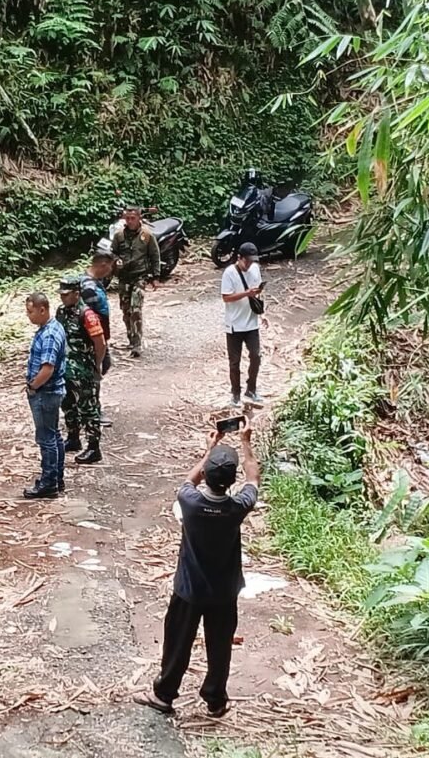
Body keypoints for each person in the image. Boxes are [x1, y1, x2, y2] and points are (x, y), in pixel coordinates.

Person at [134, 422, 259, 718]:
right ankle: (215, 699)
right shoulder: (238, 507)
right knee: (219, 646)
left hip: (188, 589)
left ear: (207, 476)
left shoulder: (189, 502)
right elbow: (253, 474)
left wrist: (210, 448)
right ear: (231, 481)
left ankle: (164, 694)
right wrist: (245, 443)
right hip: (224, 591)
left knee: (177, 642)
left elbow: (190, 479)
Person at [56, 277, 106, 465]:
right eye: (61, 295)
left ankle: (94, 447)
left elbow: (100, 343)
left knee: (89, 408)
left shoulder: (87, 315)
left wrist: (97, 365)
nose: (63, 298)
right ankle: (73, 437)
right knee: (68, 404)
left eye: (66, 295)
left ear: (76, 294)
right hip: (65, 368)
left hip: (84, 370)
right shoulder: (62, 312)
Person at [24, 292, 67, 499]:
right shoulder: (52, 327)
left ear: (43, 309)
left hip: (45, 392)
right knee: (54, 434)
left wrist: (33, 386)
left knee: (46, 437)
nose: (28, 316)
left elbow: (47, 368)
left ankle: (49, 482)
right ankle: (56, 478)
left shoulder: (49, 334)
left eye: (30, 311)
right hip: (51, 391)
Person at [111, 207, 161, 358]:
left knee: (136, 310)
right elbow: (111, 252)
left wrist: (155, 277)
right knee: (126, 311)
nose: (130, 221)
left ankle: (137, 344)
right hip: (124, 277)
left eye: (133, 218)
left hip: (140, 277)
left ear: (139, 218)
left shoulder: (147, 236)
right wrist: (115, 260)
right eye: (127, 218)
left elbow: (155, 255)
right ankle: (130, 337)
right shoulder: (119, 236)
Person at [220, 242, 264, 406]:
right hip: (234, 324)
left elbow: (257, 292)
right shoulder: (229, 273)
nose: (249, 264)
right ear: (239, 258)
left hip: (251, 322)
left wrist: (262, 312)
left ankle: (251, 388)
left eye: (252, 261)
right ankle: (235, 394)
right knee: (234, 361)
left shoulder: (255, 269)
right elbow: (226, 297)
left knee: (256, 355)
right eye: (247, 261)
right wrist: (247, 293)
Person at [81, 248, 115, 426]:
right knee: (95, 371)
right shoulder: (89, 287)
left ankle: (88, 404)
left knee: (103, 365)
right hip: (93, 338)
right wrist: (97, 342)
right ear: (103, 265)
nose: (111, 270)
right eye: (110, 266)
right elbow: (88, 318)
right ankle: (93, 410)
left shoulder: (95, 281)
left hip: (100, 335)